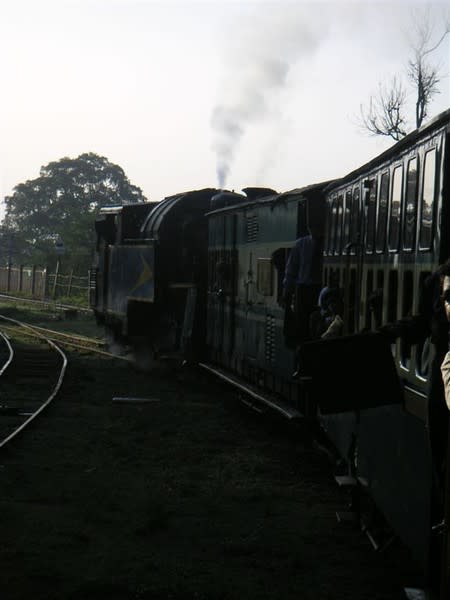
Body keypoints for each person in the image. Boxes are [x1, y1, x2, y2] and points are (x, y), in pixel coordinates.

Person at [282, 223, 324, 375]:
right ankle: (301, 364)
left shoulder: (326, 244)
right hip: (304, 288)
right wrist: (287, 290)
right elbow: (291, 269)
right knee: (301, 328)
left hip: (320, 287)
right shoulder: (301, 244)